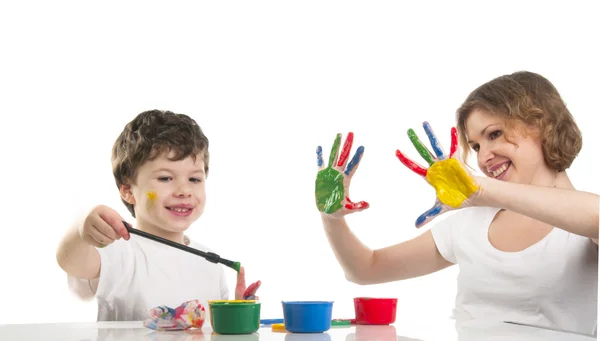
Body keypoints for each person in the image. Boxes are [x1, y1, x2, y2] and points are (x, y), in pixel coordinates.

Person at [315, 71, 598, 335]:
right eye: (475, 146)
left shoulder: (581, 223)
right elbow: (366, 269)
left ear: (542, 123)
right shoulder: (469, 225)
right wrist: (331, 217)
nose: (483, 156)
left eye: (494, 134)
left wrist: (481, 190)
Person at [56, 109, 260, 322]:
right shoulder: (118, 250)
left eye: (194, 179)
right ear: (128, 190)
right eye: (165, 178)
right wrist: (82, 230)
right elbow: (70, 260)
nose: (184, 190)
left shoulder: (212, 264)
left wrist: (237, 312)